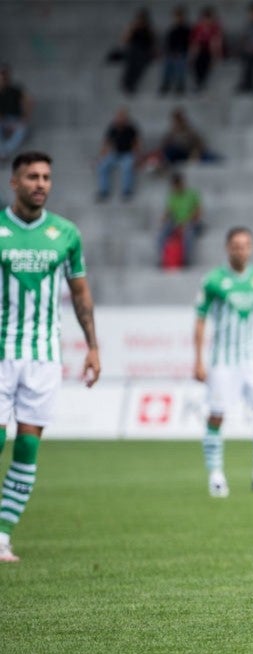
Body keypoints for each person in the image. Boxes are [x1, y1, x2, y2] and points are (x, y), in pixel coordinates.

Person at [0, 152, 101, 563]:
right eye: (32, 177)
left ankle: (3, 535)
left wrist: (93, 346)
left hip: (43, 356)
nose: (40, 183)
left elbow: (79, 293)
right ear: (14, 182)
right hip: (1, 350)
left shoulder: (66, 233)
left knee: (27, 446)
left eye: (46, 177)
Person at [192, 227, 253, 499]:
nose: (241, 250)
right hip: (223, 360)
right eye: (236, 245)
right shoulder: (212, 280)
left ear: (251, 248)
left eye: (246, 245)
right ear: (227, 248)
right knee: (216, 416)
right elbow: (200, 321)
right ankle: (216, 476)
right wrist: (198, 360)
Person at [156, 171, 202, 269]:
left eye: (178, 184)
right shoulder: (172, 196)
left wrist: (185, 223)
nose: (177, 187)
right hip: (176, 223)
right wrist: (163, 221)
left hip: (190, 223)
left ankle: (185, 260)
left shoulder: (192, 194)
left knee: (188, 235)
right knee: (161, 235)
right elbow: (168, 212)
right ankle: (163, 259)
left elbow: (198, 213)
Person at [96, 107, 142, 203]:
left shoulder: (131, 128)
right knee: (102, 166)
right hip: (115, 154)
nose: (120, 119)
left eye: (122, 117)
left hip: (127, 154)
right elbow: (107, 144)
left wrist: (137, 157)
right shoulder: (112, 128)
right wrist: (100, 158)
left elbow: (136, 144)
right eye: (118, 117)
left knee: (127, 166)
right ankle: (104, 191)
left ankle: (126, 191)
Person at [0, 65, 32, 162]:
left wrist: (25, 117)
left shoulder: (15, 90)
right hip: (2, 121)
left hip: (14, 120)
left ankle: (4, 151)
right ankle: (3, 151)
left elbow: (29, 101)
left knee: (21, 129)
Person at [158, 6, 192, 96]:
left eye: (180, 16)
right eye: (176, 17)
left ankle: (180, 86)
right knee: (167, 63)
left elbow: (188, 43)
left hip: (183, 53)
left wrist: (179, 51)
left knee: (180, 62)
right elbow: (168, 44)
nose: (178, 19)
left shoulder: (187, 30)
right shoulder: (171, 30)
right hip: (172, 53)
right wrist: (171, 52)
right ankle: (166, 84)